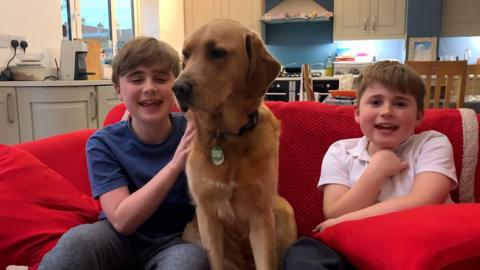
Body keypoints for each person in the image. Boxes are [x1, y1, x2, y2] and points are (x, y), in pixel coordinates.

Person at [39, 37, 209, 270]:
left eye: (160, 78)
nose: (149, 87)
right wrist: (175, 164)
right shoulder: (103, 143)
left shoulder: (196, 131)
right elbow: (121, 220)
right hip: (117, 238)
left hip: (176, 240)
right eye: (136, 79)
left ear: (176, 85)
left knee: (189, 263)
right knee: (75, 244)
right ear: (118, 90)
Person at [283, 60, 458, 270]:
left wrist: (341, 222)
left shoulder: (432, 142)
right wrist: (375, 172)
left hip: (416, 244)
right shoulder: (340, 151)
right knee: (302, 252)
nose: (386, 111)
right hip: (356, 246)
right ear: (357, 112)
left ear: (419, 115)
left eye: (400, 103)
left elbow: (424, 201)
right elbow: (335, 212)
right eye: (375, 102)